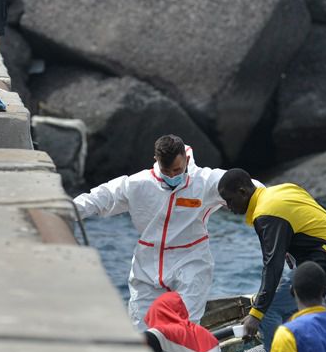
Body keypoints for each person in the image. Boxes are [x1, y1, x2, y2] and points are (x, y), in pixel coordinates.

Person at [74, 135, 227, 328]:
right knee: (142, 329)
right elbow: (100, 198)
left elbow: (247, 186)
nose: (172, 176)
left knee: (184, 329)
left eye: (177, 170)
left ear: (187, 160)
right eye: (166, 171)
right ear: (156, 161)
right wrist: (64, 210)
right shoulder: (137, 184)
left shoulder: (206, 181)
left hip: (191, 263)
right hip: (147, 266)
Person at [218, 169, 326, 352]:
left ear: (243, 192)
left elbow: (273, 266)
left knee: (268, 311)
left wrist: (257, 313)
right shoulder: (284, 189)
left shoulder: (266, 214)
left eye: (229, 200)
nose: (228, 207)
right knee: (286, 305)